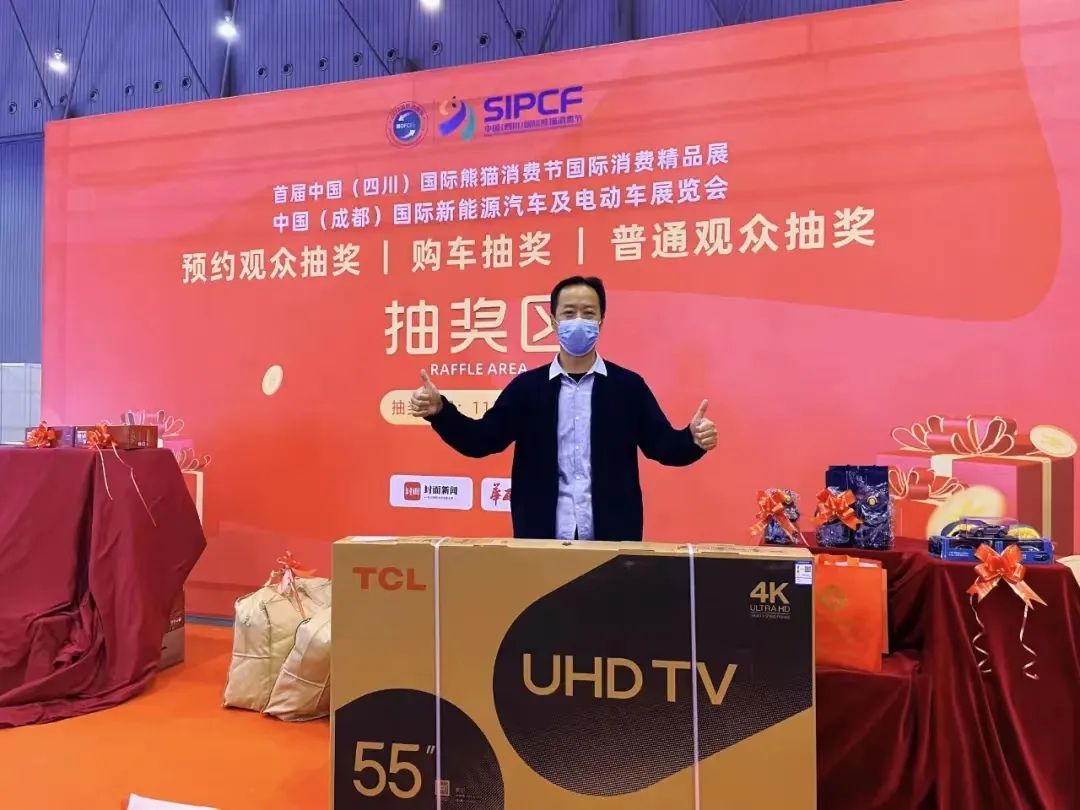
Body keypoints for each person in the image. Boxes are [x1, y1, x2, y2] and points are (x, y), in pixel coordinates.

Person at [409, 276, 717, 541]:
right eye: (569, 313)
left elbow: (663, 446)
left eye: (588, 312)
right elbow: (481, 440)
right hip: (541, 544)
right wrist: (441, 412)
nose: (578, 320)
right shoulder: (527, 389)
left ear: (601, 321)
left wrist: (692, 440)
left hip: (613, 546)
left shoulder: (628, 387)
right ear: (554, 321)